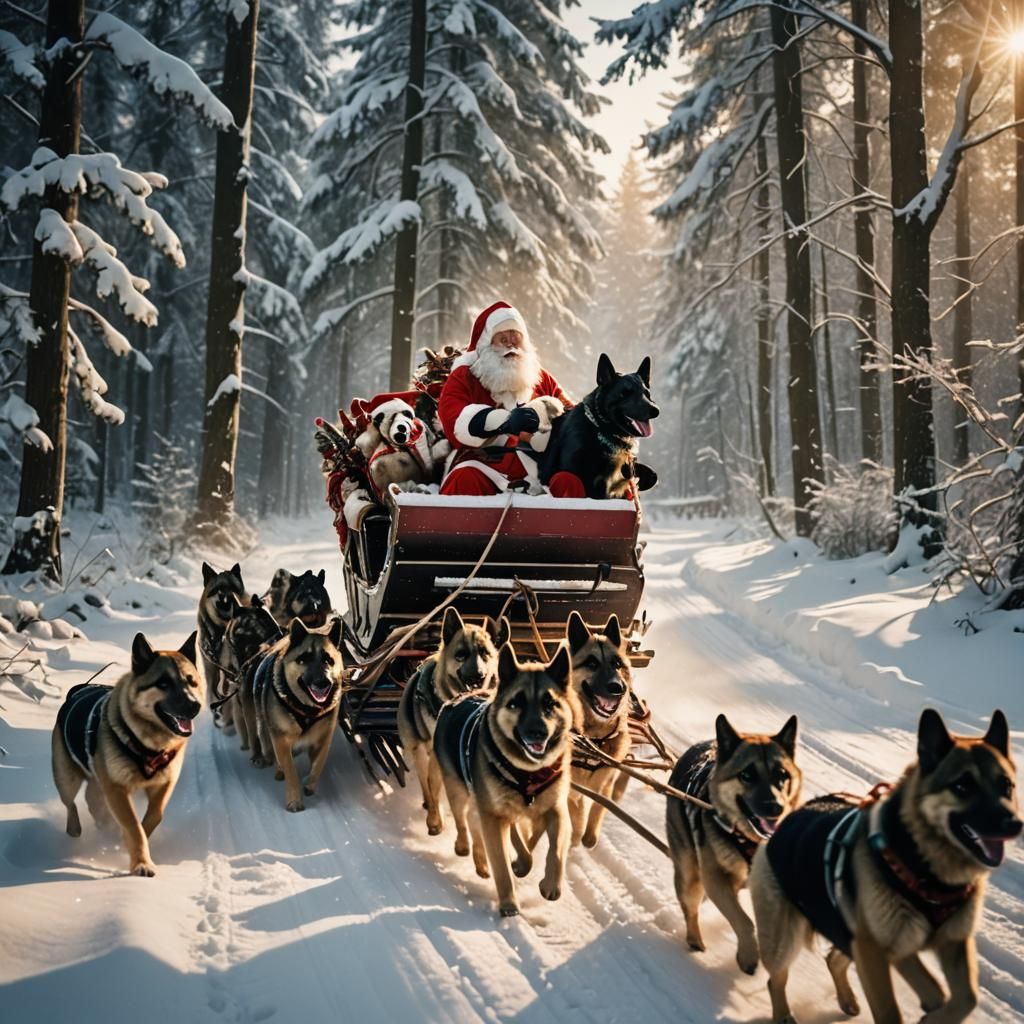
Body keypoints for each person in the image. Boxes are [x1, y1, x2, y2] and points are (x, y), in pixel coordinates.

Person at [438, 301, 583, 497]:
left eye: (516, 337)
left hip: (538, 469)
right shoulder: (466, 376)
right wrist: (503, 422)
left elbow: (571, 416)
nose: (511, 344)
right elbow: (453, 418)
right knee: (464, 479)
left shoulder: (540, 378)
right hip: (484, 464)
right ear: (486, 344)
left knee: (569, 482)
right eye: (502, 338)